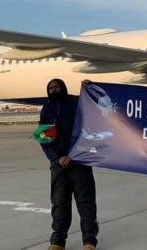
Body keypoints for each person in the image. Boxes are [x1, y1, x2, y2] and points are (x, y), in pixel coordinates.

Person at [38, 78, 98, 250]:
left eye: (57, 87)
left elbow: (93, 108)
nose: (54, 90)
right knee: (59, 203)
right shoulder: (47, 109)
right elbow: (43, 136)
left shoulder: (75, 103)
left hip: (79, 161)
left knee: (85, 202)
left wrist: (89, 89)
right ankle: (57, 241)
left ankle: (89, 241)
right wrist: (56, 157)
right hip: (58, 163)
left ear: (63, 88)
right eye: (51, 88)